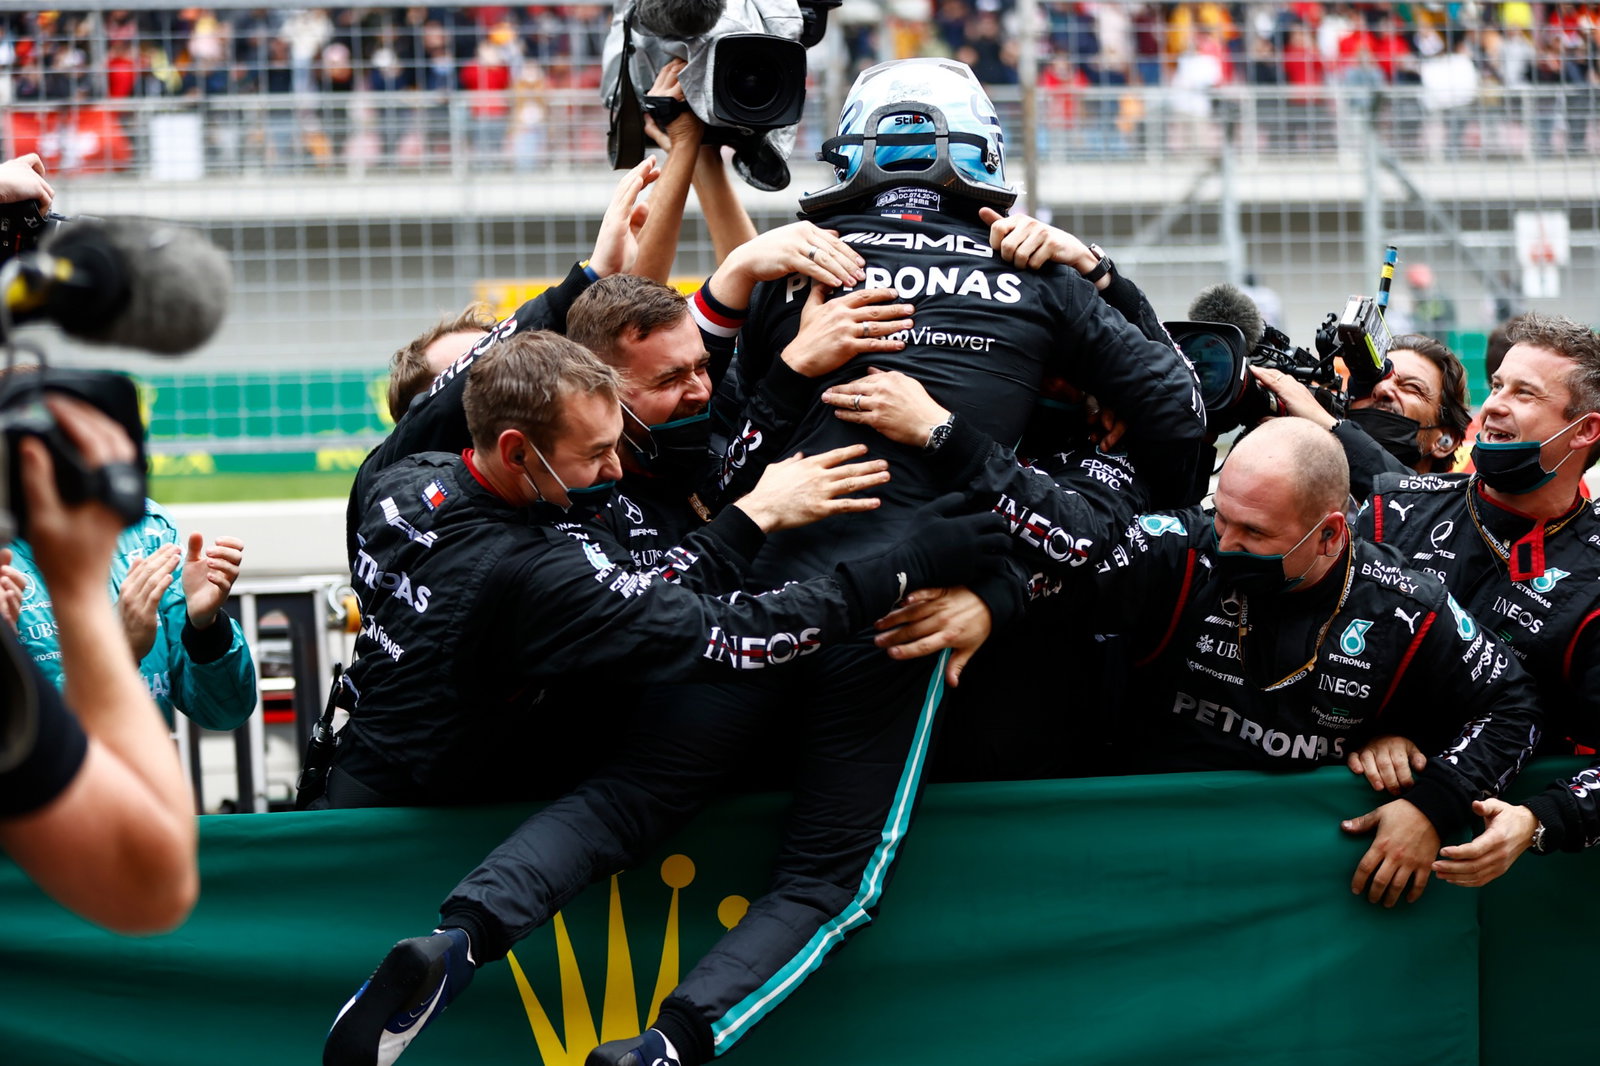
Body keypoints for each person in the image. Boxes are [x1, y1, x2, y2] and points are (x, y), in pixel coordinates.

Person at [324, 58, 1203, 1066]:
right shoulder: (1037, 273)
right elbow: (1179, 421)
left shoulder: (803, 263)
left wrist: (774, 346)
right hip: (895, 619)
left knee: (627, 798)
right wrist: (1088, 279)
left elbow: (726, 459)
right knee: (831, 878)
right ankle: (664, 1048)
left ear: (852, 149)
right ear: (980, 153)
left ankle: (457, 937)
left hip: (756, 589)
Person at [318, 329, 999, 810]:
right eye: (594, 455)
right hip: (415, 819)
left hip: (368, 771)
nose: (616, 471)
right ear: (516, 449)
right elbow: (732, 633)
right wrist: (903, 567)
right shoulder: (533, 569)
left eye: (616, 443)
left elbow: (642, 593)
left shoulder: (396, 475)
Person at [1034, 418, 1541, 907]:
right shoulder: (1184, 548)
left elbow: (1515, 706)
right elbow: (1074, 557)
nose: (1226, 543)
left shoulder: (1405, 605)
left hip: (1303, 877)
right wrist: (996, 597)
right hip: (1147, 848)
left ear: (1329, 534)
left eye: (1254, 533)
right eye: (1221, 517)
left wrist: (1433, 804)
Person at [1343, 313, 1600, 888]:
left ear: (1583, 431)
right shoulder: (1392, 511)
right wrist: (1369, 727)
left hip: (1525, 905)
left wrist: (1539, 818)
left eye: (1524, 393)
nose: (1493, 407)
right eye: (1498, 386)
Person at [0, 396, 197, 935]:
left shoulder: (153, 529)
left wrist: (207, 630)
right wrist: (86, 604)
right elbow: (155, 885)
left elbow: (223, 705)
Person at [5, 499, 255, 731]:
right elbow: (31, 742)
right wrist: (115, 653)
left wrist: (205, 629)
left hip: (148, 773)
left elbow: (225, 712)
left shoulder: (146, 525)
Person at [1252, 332, 1472, 498]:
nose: (1382, 389)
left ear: (1445, 440)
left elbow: (1411, 505)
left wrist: (1329, 427)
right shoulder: (1305, 496)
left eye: (1411, 387)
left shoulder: (1455, 509)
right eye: (1371, 381)